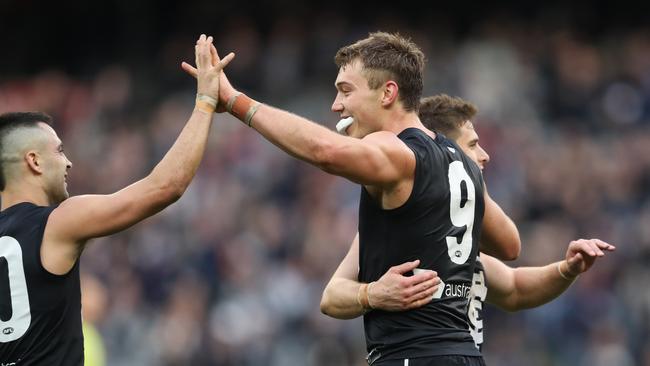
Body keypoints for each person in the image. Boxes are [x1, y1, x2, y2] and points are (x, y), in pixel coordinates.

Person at [184, 32, 516, 365]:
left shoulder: (398, 151)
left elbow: (324, 151)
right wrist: (373, 292)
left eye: (346, 91)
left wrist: (235, 101)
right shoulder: (463, 162)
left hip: (412, 355)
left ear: (388, 93)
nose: (336, 105)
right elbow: (509, 246)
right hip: (465, 354)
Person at [0, 34, 233, 365]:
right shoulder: (58, 221)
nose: (68, 162)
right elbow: (165, 187)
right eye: (59, 150)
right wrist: (206, 101)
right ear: (34, 161)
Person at [320, 94, 615, 353]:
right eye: (473, 145)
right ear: (446, 152)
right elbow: (332, 296)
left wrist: (567, 269)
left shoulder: (458, 236)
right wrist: (372, 293)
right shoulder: (393, 228)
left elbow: (514, 288)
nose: (484, 156)